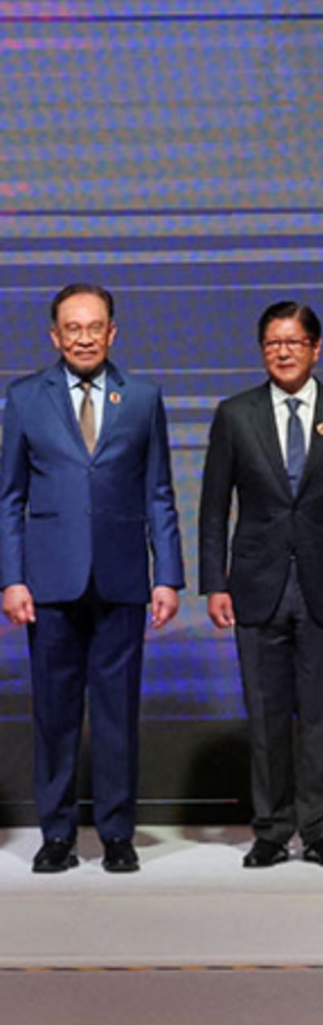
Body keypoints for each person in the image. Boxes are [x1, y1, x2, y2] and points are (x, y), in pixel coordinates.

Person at [0, 283, 184, 874]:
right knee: (53, 717)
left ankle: (117, 834)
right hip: (48, 583)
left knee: (116, 715)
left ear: (112, 332)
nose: (84, 338)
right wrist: (11, 579)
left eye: (95, 327)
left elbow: (159, 492)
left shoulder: (143, 397)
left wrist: (167, 576)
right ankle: (56, 836)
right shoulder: (24, 397)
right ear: (55, 336)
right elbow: (9, 498)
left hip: (122, 579)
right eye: (73, 328)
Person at [199, 300, 323, 869]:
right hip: (256, 584)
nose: (283, 352)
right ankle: (272, 831)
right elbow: (213, 509)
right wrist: (214, 583)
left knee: (321, 716)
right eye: (273, 343)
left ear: (316, 349)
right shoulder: (236, 414)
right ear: (262, 351)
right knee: (266, 716)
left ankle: (320, 832)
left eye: (294, 342)